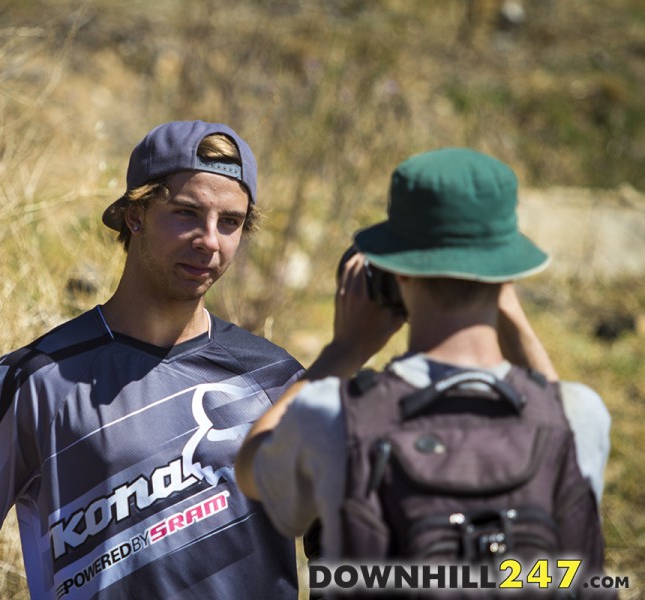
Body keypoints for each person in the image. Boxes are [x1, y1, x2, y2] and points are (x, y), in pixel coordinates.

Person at [0, 120, 304, 599]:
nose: (210, 241)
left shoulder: (276, 379)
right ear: (135, 215)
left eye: (230, 222)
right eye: (186, 213)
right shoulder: (36, 380)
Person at [236, 148, 611, 580]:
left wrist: (344, 351)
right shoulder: (582, 416)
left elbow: (250, 470)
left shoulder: (335, 418)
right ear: (507, 273)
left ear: (398, 271)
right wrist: (507, 309)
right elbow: (552, 406)